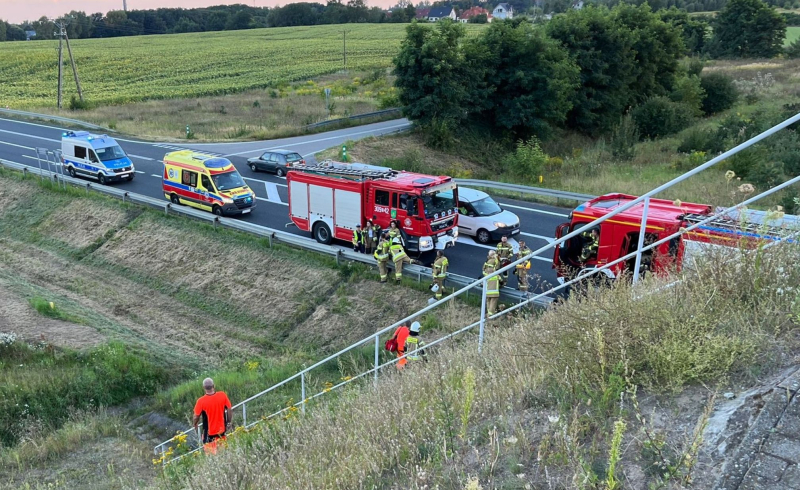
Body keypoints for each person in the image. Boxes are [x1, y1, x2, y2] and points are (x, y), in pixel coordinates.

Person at [192, 378, 232, 454]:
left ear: (204, 387)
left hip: (209, 434)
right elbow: (229, 409)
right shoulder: (222, 395)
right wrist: (228, 422)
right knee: (223, 453)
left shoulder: (201, 401)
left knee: (211, 456)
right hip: (221, 431)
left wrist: (195, 424)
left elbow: (196, 416)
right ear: (214, 385)